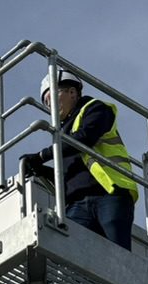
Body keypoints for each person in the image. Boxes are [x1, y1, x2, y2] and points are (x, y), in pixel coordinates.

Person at [22, 70, 138, 249]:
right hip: (77, 203)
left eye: (51, 96)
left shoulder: (96, 108)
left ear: (72, 92)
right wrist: (40, 169)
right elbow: (69, 175)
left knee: (118, 254)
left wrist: (41, 156)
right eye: (45, 102)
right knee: (73, 254)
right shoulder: (61, 133)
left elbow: (85, 138)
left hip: (110, 193)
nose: (48, 105)